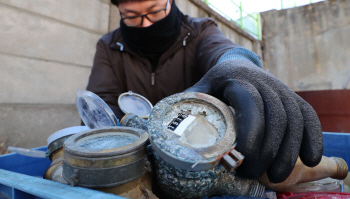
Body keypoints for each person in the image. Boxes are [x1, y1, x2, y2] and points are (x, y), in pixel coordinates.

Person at [85, 0, 323, 184]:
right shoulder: (109, 46)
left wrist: (237, 65)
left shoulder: (200, 31)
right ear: (119, 12)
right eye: (132, 17)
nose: (146, 24)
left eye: (155, 11)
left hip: (204, 151)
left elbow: (222, 50)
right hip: (139, 156)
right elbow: (102, 103)